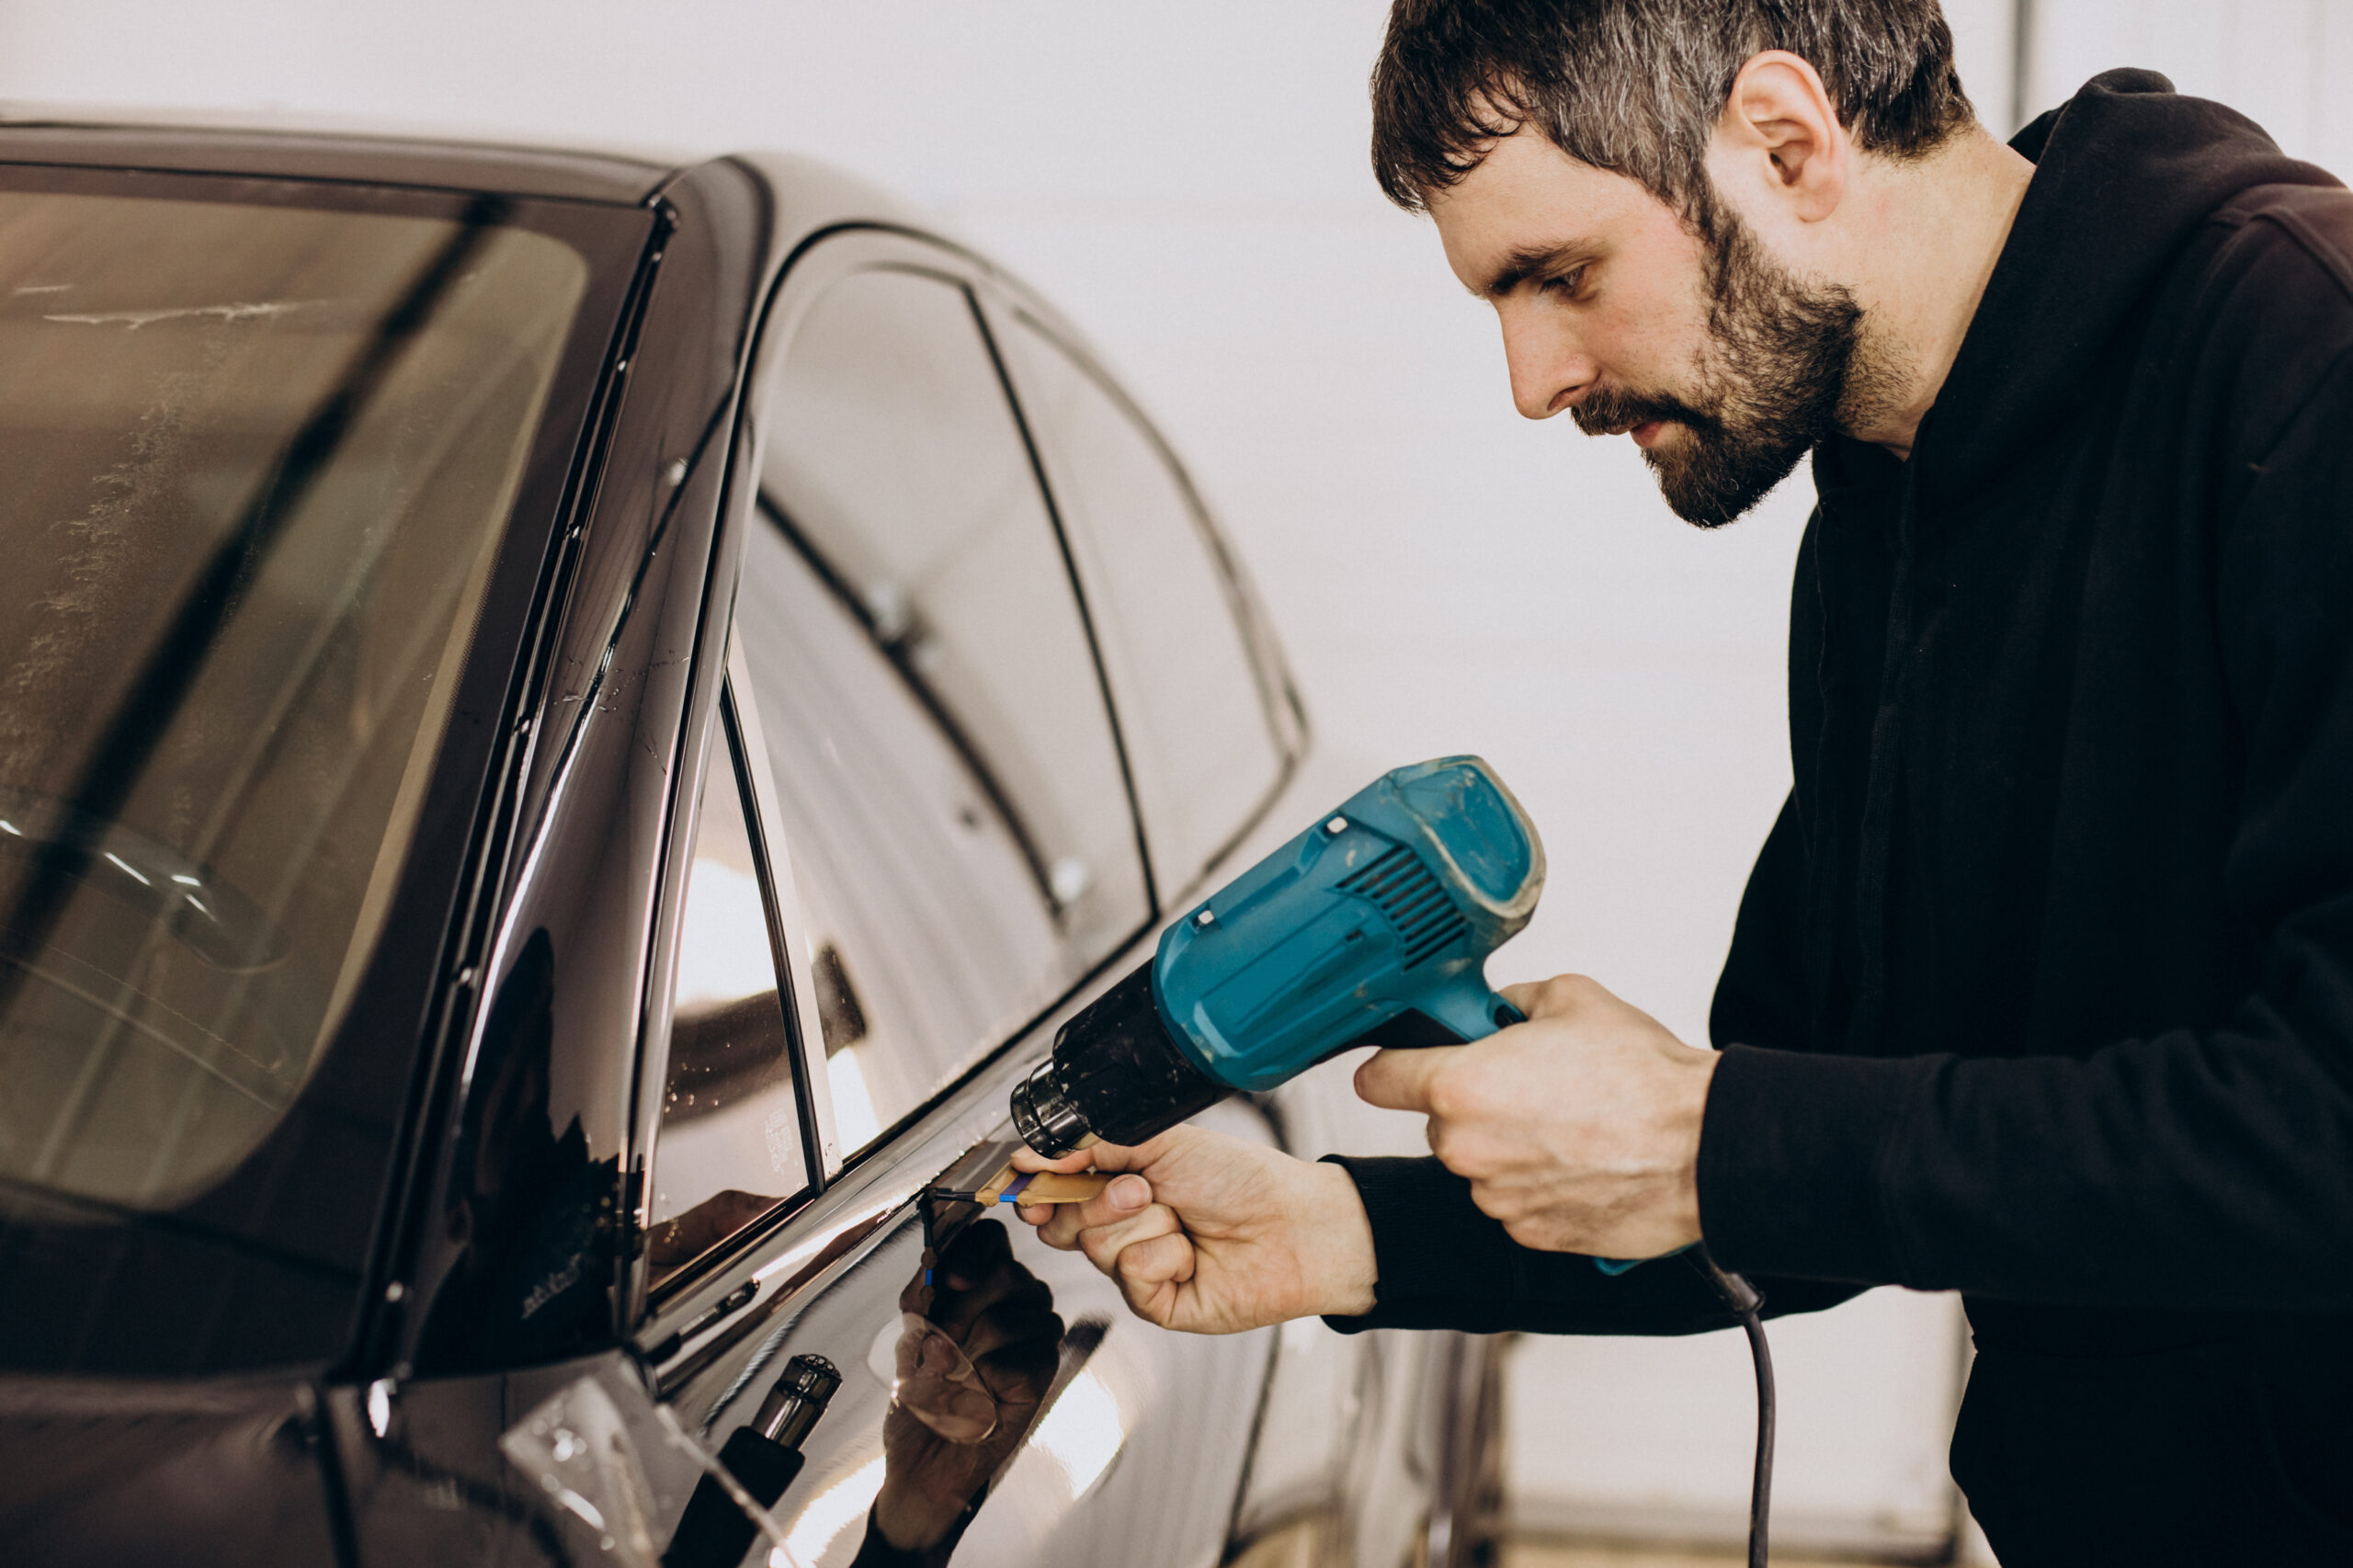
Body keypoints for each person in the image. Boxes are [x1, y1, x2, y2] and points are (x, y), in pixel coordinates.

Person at [1013, 3, 2353, 1563]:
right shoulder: (1881, 512)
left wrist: (1712, 1135)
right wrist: (1352, 1230)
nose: (1531, 379)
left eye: (1558, 274)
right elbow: (1816, 1128)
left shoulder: (2305, 368)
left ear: (1787, 144)